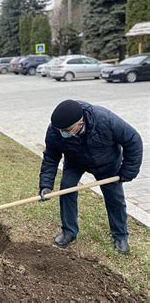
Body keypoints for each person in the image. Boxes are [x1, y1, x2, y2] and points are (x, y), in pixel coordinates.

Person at [38, 100, 143, 253]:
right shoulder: (55, 130)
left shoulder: (104, 119)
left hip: (107, 163)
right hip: (75, 161)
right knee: (66, 189)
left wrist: (128, 171)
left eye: (67, 129)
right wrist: (46, 185)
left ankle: (120, 236)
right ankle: (69, 232)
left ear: (80, 123)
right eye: (60, 129)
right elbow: (51, 157)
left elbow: (133, 140)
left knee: (114, 198)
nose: (62, 132)